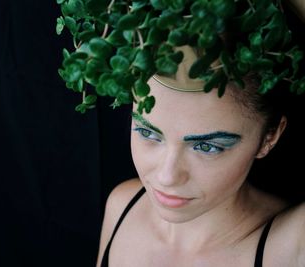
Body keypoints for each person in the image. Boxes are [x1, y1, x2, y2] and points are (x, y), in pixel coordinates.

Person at [95, 23, 305, 267]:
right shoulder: (122, 204)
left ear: (270, 137)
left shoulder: (292, 247)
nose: (167, 177)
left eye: (206, 147)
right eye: (148, 133)